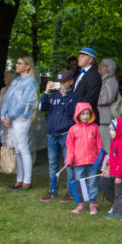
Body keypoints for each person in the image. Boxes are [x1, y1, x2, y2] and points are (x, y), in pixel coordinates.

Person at [39, 69, 79, 202]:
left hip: (66, 134)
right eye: (59, 82)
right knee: (52, 164)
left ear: (71, 82)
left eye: (64, 82)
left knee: (69, 164)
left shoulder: (74, 96)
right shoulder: (52, 96)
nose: (62, 84)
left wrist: (64, 97)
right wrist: (46, 92)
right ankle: (52, 190)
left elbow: (72, 113)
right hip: (51, 134)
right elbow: (42, 107)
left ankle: (69, 192)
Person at [0, 56, 38, 190]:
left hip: (21, 119)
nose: (16, 65)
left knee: (23, 149)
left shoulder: (30, 82)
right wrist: (4, 115)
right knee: (16, 150)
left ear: (27, 66)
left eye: (19, 63)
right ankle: (19, 179)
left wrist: (9, 116)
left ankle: (27, 180)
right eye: (17, 63)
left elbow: (24, 103)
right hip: (11, 119)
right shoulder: (16, 81)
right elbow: (6, 99)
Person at [65, 102, 103, 214]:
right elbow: (70, 147)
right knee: (79, 183)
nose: (85, 116)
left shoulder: (95, 128)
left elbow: (99, 144)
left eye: (87, 113)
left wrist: (101, 159)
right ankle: (80, 203)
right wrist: (69, 159)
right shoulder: (73, 129)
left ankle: (92, 203)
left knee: (92, 182)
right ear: (77, 115)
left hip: (93, 161)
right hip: (78, 162)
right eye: (83, 114)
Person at [103, 118, 122, 220]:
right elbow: (112, 158)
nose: (110, 132)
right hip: (115, 174)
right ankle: (115, 210)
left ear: (120, 130)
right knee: (117, 193)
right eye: (110, 129)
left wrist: (119, 176)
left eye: (112, 130)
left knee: (121, 194)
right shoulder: (114, 142)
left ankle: (121, 213)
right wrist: (108, 169)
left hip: (121, 175)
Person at [72, 47, 102, 124]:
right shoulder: (79, 74)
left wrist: (77, 111)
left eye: (82, 57)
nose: (79, 58)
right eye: (79, 56)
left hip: (87, 118)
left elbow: (89, 99)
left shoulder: (94, 76)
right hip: (78, 116)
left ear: (90, 60)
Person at [97, 58, 119, 152]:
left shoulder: (111, 81)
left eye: (102, 65)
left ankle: (109, 165)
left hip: (106, 119)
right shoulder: (102, 80)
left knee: (107, 147)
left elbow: (107, 99)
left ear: (108, 68)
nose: (99, 67)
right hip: (100, 118)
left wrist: (93, 100)